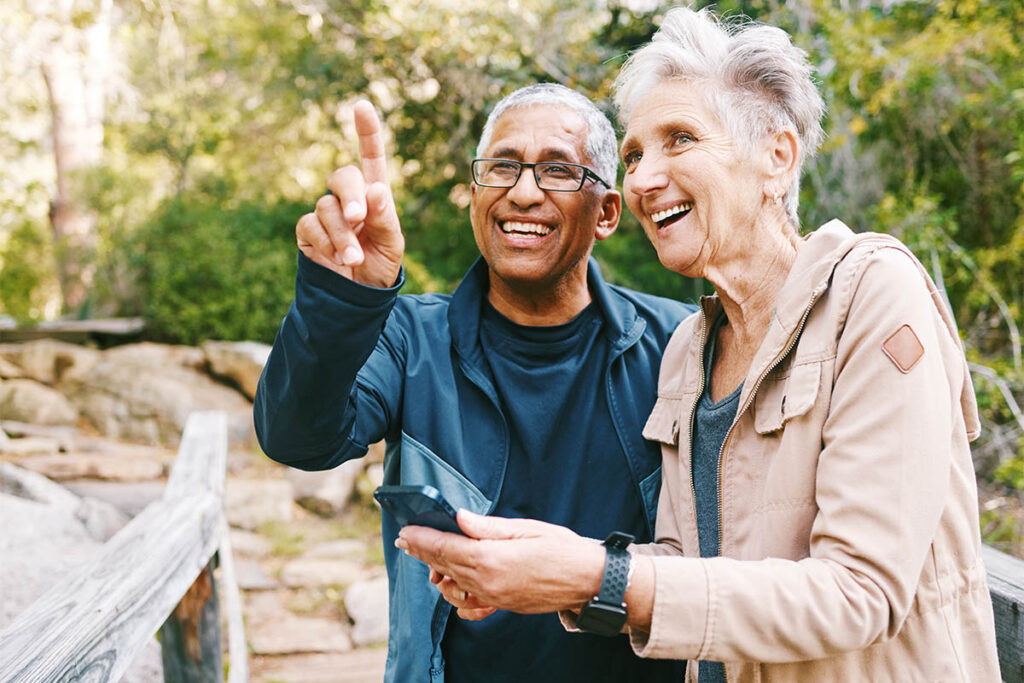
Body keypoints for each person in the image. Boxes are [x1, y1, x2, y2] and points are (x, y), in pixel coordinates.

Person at [397, 8, 1002, 682]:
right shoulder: (690, 348)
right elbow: (690, 564)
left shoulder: (874, 298)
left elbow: (860, 592)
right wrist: (553, 562)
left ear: (777, 155)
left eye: (679, 139)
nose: (644, 178)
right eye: (633, 155)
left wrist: (595, 575)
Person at [253, 83, 692, 682]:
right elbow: (298, 439)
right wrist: (342, 298)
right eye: (502, 167)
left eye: (558, 171)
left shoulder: (676, 345)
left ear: (607, 212)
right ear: (475, 195)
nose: (524, 192)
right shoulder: (410, 336)